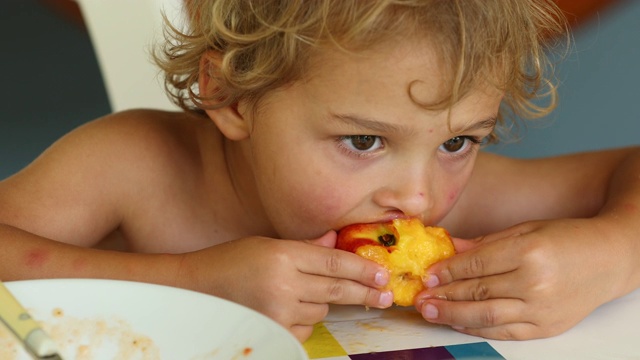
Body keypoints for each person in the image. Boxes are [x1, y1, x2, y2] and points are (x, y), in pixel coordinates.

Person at [1, 0, 639, 343]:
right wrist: (187, 281)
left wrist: (610, 252)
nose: (419, 194)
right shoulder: (136, 166)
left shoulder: (413, 202)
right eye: (364, 140)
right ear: (230, 96)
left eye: (458, 143)